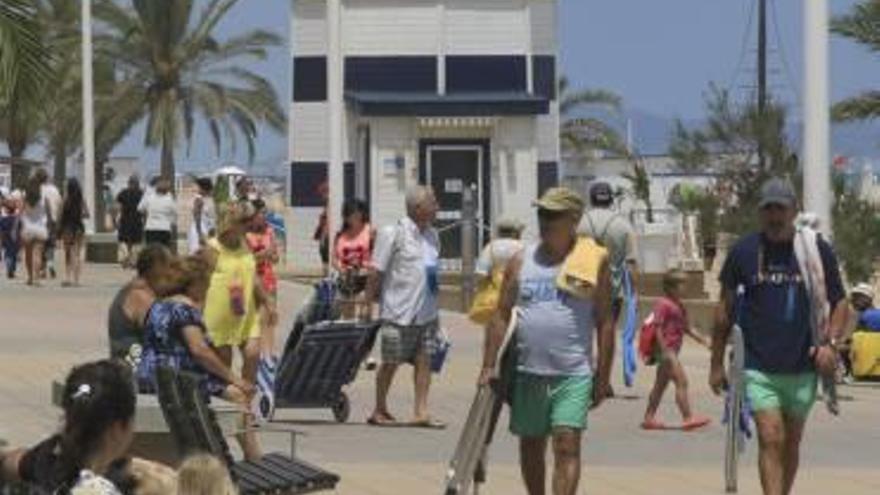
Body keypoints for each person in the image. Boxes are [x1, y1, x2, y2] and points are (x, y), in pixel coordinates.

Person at [709, 178, 847, 495]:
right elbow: (723, 311)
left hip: (803, 364)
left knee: (791, 441)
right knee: (771, 436)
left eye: (780, 208)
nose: (774, 216)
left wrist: (831, 343)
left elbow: (840, 303)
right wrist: (716, 363)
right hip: (758, 365)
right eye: (768, 209)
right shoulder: (744, 251)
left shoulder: (815, 250)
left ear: (793, 210)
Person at [478, 187, 615, 495]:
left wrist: (603, 377)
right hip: (528, 372)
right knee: (531, 446)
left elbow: (605, 320)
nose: (546, 221)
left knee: (567, 444)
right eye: (542, 214)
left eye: (554, 215)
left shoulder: (593, 261)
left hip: (573, 373)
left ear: (574, 219)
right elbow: (500, 314)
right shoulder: (521, 259)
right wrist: (489, 365)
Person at [137, 255, 261, 461]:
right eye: (207, 284)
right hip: (177, 376)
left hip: (150, 373)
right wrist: (235, 378)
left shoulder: (158, 305)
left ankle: (247, 455)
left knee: (230, 392)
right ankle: (254, 458)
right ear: (195, 284)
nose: (208, 290)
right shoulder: (185, 308)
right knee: (238, 395)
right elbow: (199, 350)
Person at [366, 186, 444, 428]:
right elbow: (376, 271)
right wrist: (368, 302)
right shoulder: (393, 233)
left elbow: (430, 273)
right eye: (433, 202)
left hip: (427, 313)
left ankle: (421, 411)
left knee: (425, 362)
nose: (437, 207)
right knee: (391, 361)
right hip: (398, 312)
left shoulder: (433, 235)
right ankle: (379, 409)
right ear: (418, 208)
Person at [203, 202, 275, 414]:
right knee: (224, 367)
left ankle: (245, 406)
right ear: (230, 223)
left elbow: (251, 275)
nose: (249, 224)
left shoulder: (244, 243)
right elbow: (199, 282)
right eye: (244, 221)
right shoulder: (212, 248)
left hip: (245, 313)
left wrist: (268, 301)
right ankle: (228, 407)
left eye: (249, 220)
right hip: (219, 315)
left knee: (252, 355)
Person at [578, 181, 639, 399]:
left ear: (591, 198)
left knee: (581, 332)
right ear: (611, 199)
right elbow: (631, 263)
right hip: (612, 290)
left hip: (581, 287)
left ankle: (582, 377)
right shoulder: (623, 225)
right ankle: (604, 381)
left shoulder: (580, 222)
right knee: (607, 331)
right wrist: (634, 294)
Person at [641, 269, 711, 431]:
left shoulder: (679, 306)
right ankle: (687, 418)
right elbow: (657, 327)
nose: (685, 288)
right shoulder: (663, 304)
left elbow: (686, 327)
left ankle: (648, 418)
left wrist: (703, 341)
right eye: (682, 285)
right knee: (682, 381)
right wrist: (664, 349)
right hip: (667, 351)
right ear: (671, 287)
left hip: (671, 351)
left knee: (660, 385)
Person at [107, 244, 177, 362]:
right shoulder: (140, 296)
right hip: (133, 367)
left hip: (128, 361)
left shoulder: (131, 288)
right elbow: (162, 334)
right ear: (158, 269)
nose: (171, 274)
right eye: (169, 268)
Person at [246, 198, 280, 354]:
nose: (264, 217)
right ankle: (256, 355)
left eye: (265, 213)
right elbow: (244, 260)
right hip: (251, 280)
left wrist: (273, 255)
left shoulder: (270, 231)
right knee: (255, 319)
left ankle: (269, 354)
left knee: (270, 317)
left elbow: (275, 258)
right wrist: (262, 254)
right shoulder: (245, 234)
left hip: (268, 278)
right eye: (261, 213)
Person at [332, 198, 374, 319]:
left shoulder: (370, 231)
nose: (354, 218)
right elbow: (334, 258)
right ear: (346, 217)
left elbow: (377, 256)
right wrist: (341, 269)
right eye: (351, 215)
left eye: (357, 214)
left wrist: (367, 269)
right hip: (346, 280)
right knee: (348, 320)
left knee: (363, 318)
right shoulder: (340, 235)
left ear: (362, 214)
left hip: (364, 280)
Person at [20, 173, 51, 286]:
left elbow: (20, 211)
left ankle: (30, 277)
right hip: (40, 228)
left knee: (28, 254)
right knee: (37, 254)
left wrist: (16, 227)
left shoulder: (25, 195)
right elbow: (48, 212)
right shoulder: (44, 196)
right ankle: (37, 278)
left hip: (27, 228)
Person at [59, 178, 89, 287]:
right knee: (77, 253)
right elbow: (87, 214)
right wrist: (79, 214)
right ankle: (77, 280)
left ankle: (67, 278)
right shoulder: (81, 200)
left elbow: (60, 215)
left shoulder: (65, 199)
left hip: (67, 228)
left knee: (68, 254)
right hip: (79, 228)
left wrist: (59, 230)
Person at [37, 169, 63, 280]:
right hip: (52, 220)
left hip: (39, 221)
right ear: (47, 178)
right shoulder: (54, 189)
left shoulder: (37, 189)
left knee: (41, 245)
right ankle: (50, 263)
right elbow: (60, 205)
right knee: (51, 244)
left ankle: (42, 269)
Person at [116, 176, 146, 269]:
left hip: (125, 220)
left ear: (128, 183)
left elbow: (118, 207)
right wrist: (145, 221)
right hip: (137, 220)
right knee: (136, 242)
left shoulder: (123, 193)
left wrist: (116, 219)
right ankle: (134, 262)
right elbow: (144, 210)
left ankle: (124, 259)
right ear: (137, 184)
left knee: (124, 241)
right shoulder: (141, 194)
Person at [138, 178, 176, 248]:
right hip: (164, 228)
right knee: (163, 251)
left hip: (152, 228)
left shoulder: (149, 196)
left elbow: (140, 208)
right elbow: (174, 214)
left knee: (151, 251)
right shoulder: (169, 198)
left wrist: (146, 216)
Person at [188, 177, 216, 254]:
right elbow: (197, 217)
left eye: (198, 187)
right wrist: (199, 234)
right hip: (200, 229)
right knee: (197, 252)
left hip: (206, 228)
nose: (198, 189)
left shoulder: (207, 199)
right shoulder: (198, 199)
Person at [0, 191, 21, 279]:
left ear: (6, 210)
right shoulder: (17, 219)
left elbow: (1, 232)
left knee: (8, 255)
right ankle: (11, 270)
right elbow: (20, 230)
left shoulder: (3, 219)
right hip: (15, 240)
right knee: (14, 256)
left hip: (6, 240)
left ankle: (9, 268)